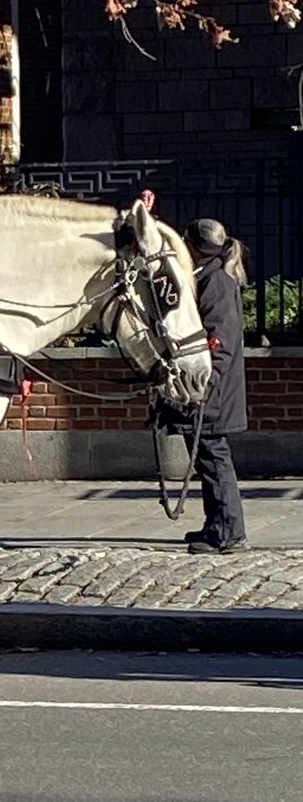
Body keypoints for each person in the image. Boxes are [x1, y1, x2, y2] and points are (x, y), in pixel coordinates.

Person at [159, 217, 248, 554]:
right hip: (210, 389)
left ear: (194, 246)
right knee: (206, 459)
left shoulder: (215, 282)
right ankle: (217, 523)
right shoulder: (207, 276)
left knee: (213, 458)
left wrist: (204, 388)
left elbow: (218, 343)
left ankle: (228, 532)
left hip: (213, 391)